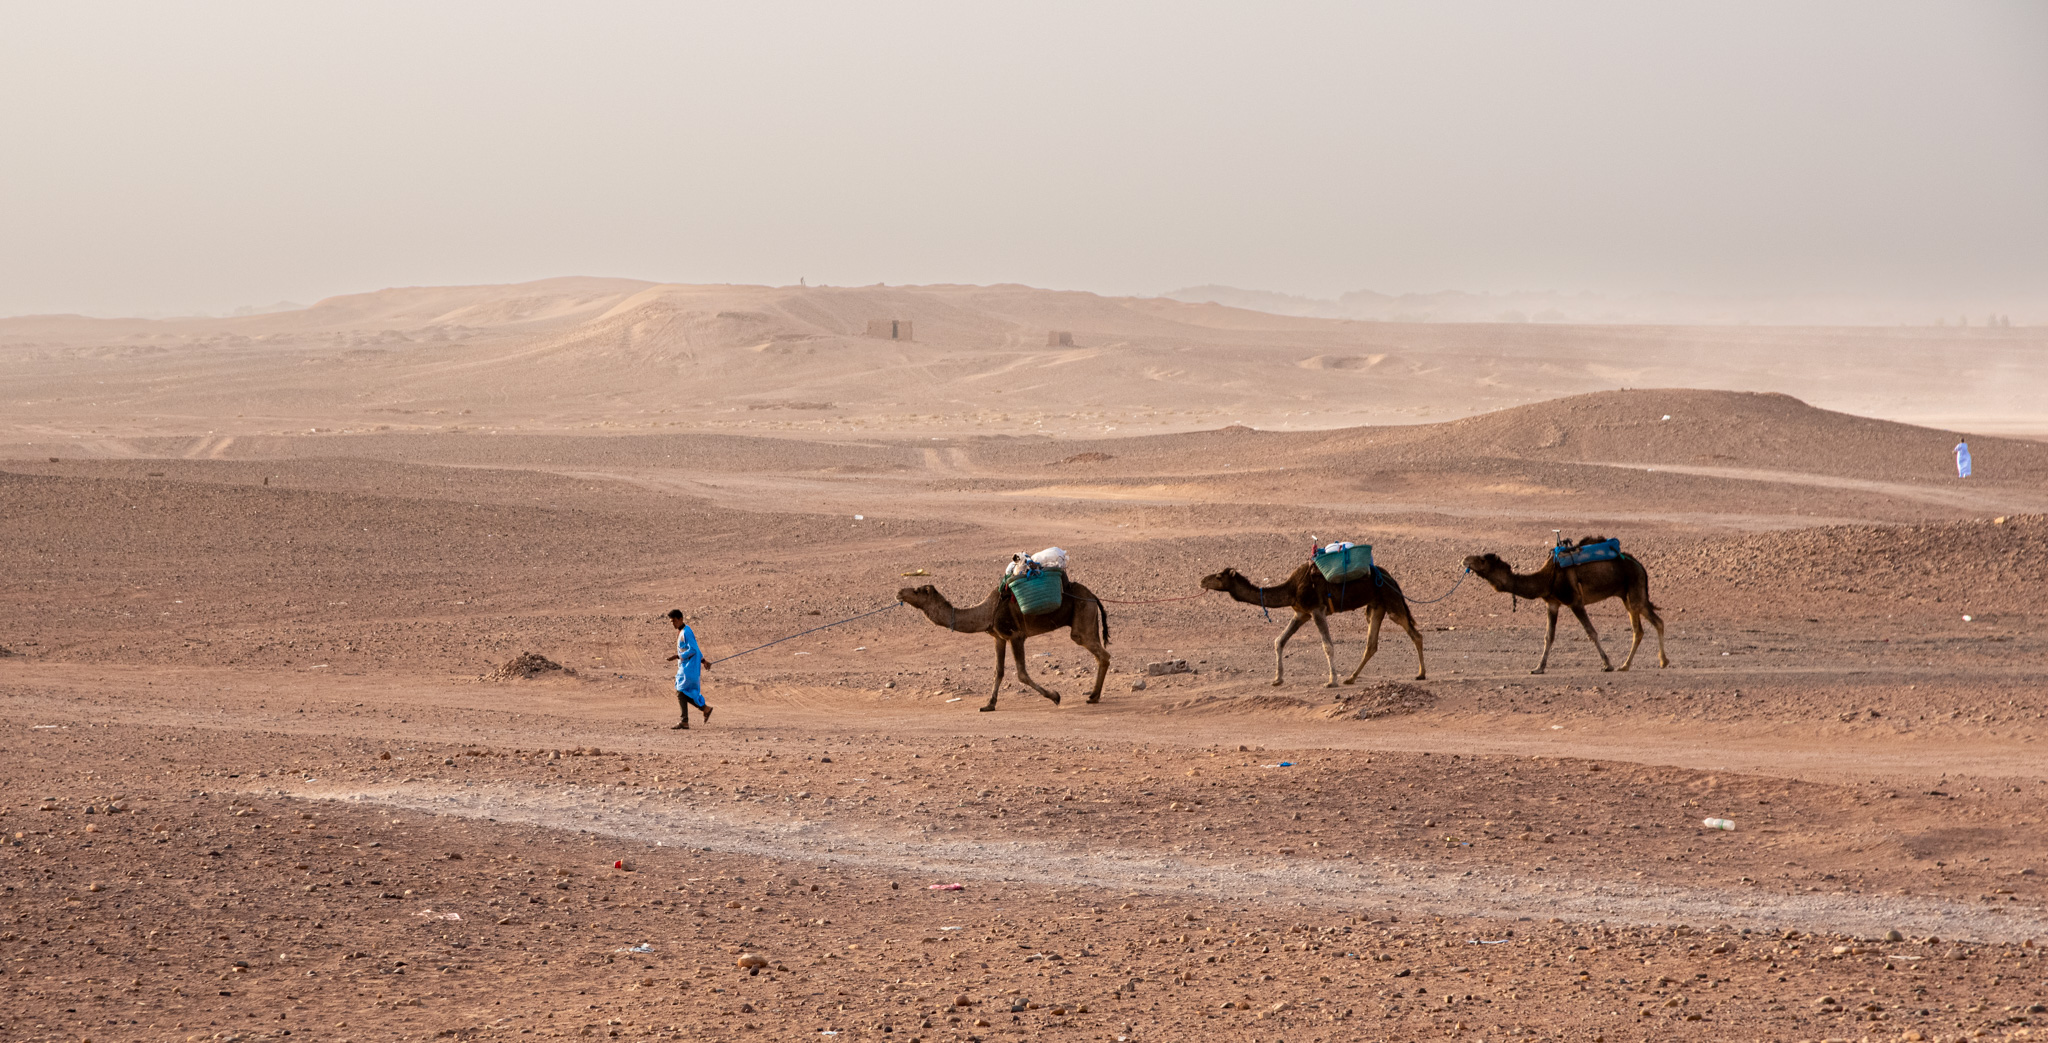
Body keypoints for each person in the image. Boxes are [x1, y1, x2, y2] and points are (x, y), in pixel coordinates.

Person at [664, 609, 712, 730]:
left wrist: (678, 656)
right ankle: (704, 709)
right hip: (687, 667)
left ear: (681, 619)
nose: (673, 624)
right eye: (671, 622)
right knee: (683, 692)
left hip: (689, 668)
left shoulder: (686, 632)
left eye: (674, 621)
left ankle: (685, 721)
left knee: (680, 691)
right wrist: (704, 660)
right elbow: (695, 648)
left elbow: (693, 650)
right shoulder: (683, 631)